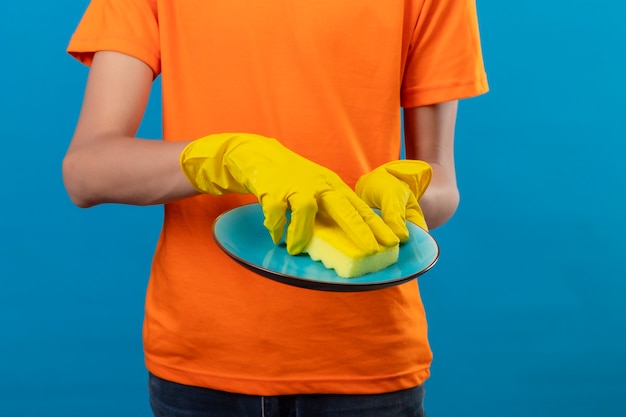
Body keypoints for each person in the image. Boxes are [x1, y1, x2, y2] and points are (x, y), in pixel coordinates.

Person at [63, 0, 488, 416]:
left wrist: (406, 192)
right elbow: (87, 172)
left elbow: (442, 185)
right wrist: (224, 157)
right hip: (202, 359)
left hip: (365, 358)